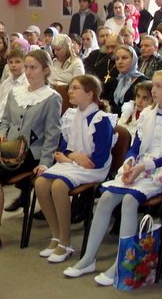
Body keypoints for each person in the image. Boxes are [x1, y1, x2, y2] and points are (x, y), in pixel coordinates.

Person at [64, 68, 162, 283]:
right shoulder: (148, 114)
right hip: (139, 167)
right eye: (153, 85)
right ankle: (88, 258)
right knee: (106, 198)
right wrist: (129, 162)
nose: (153, 90)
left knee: (129, 200)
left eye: (158, 86)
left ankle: (122, 262)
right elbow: (136, 146)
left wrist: (142, 166)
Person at [0, 49, 62, 252]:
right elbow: (5, 121)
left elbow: (52, 135)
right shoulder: (15, 92)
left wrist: (45, 163)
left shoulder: (51, 98)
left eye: (33, 68)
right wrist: (0, 135)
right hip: (7, 148)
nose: (28, 72)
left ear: (46, 70)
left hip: (30, 153)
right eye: (26, 67)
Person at [35, 75, 116, 263]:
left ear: (90, 93)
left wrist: (71, 157)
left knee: (58, 186)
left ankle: (66, 242)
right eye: (70, 88)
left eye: (75, 88)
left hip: (94, 168)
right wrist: (73, 156)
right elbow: (64, 148)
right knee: (40, 183)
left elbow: (97, 160)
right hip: (74, 163)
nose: (70, 92)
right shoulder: (71, 115)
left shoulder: (101, 119)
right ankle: (56, 235)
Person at [102, 45, 149, 116]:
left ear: (133, 60)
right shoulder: (114, 82)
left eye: (124, 58)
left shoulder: (144, 82)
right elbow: (103, 103)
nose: (120, 62)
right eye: (117, 59)